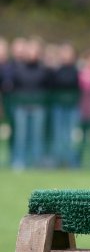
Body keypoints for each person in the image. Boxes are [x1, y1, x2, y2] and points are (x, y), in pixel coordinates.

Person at [10, 37, 48, 169]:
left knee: (37, 136)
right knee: (20, 136)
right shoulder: (17, 69)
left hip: (38, 106)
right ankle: (19, 161)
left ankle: (36, 162)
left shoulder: (43, 69)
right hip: (21, 106)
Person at [47, 43, 80, 168]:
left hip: (72, 106)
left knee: (71, 135)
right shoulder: (55, 70)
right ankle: (58, 161)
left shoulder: (77, 70)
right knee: (59, 134)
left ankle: (71, 161)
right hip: (58, 106)